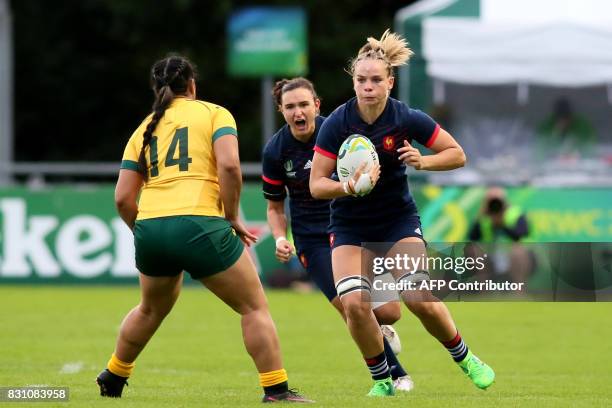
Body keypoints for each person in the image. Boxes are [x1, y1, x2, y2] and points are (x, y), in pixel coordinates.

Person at [95, 55, 311, 403]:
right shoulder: (214, 114)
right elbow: (228, 166)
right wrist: (230, 217)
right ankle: (276, 390)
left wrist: (147, 231)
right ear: (192, 85)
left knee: (150, 309)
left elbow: (122, 198)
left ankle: (115, 374)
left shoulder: (143, 129)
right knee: (253, 307)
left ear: (158, 90)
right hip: (200, 223)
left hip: (150, 228)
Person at [309, 30, 495, 396]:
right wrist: (347, 186)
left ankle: (466, 358)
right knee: (354, 305)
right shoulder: (336, 124)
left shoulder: (406, 118)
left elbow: (457, 154)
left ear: (390, 82)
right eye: (361, 80)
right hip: (349, 225)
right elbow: (316, 184)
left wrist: (423, 162)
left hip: (397, 221)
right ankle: (383, 381)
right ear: (354, 81)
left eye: (376, 80)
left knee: (417, 298)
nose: (368, 86)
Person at [262, 77, 414, 392]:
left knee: (389, 311)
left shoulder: (340, 133)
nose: (298, 112)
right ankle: (397, 376)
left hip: (351, 229)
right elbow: (275, 208)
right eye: (290, 107)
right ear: (281, 110)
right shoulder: (276, 151)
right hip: (313, 240)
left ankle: (378, 331)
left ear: (316, 105)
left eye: (304, 104)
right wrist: (280, 237)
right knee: (350, 306)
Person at [468, 187, 532, 286]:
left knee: (518, 250)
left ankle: (519, 290)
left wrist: (502, 224)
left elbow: (522, 234)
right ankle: (484, 289)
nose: (495, 206)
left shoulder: (515, 213)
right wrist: (481, 216)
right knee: (474, 250)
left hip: (511, 254)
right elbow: (472, 237)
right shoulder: (484, 216)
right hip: (490, 254)